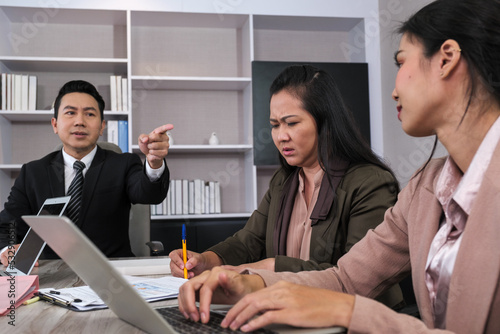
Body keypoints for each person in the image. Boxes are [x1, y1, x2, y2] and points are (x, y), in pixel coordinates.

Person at [176, 0, 500, 332]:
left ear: (446, 59)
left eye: (401, 63)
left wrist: (349, 311)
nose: (393, 90)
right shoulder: (426, 187)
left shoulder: (370, 181)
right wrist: (249, 284)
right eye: (275, 125)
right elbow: (346, 278)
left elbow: (349, 295)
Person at [170, 64, 404, 308]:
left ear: (325, 123)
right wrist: (205, 260)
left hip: (352, 318)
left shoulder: (371, 183)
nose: (281, 136)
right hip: (289, 311)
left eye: (291, 123)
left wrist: (271, 267)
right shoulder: (284, 181)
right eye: (275, 125)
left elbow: (357, 276)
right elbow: (247, 241)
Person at [0, 80, 172, 263]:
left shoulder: (123, 163)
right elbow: (7, 226)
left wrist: (154, 162)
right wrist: (8, 250)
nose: (80, 121)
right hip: (52, 276)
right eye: (70, 113)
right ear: (55, 124)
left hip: (112, 273)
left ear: (101, 126)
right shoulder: (32, 173)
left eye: (90, 114)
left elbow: (148, 193)